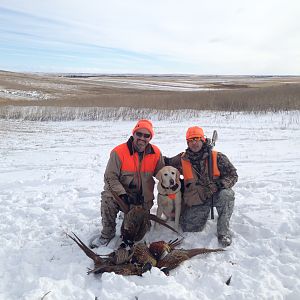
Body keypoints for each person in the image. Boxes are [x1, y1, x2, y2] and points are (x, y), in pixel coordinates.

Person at [90, 119, 165, 247]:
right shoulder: (118, 152)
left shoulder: (156, 153)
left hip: (142, 199)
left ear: (150, 138)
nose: (142, 138)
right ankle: (107, 234)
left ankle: (130, 217)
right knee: (108, 197)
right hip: (123, 197)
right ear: (133, 134)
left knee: (138, 233)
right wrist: (123, 195)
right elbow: (110, 177)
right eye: (139, 134)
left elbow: (162, 172)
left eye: (146, 135)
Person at [165, 126, 238, 247]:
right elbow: (165, 163)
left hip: (216, 196)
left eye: (197, 139)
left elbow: (233, 175)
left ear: (203, 140)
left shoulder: (217, 157)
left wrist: (219, 184)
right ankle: (202, 215)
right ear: (187, 142)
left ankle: (223, 231)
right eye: (191, 140)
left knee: (227, 195)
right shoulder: (182, 159)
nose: (194, 143)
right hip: (197, 200)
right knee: (188, 228)